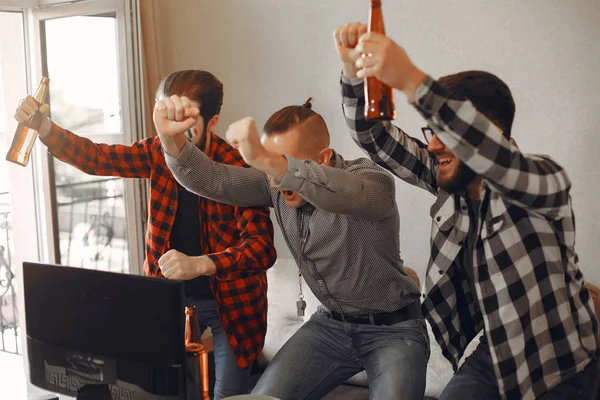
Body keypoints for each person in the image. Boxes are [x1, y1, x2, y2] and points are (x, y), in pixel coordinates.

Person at [334, 21, 599, 400]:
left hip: (562, 367)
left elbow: (498, 162)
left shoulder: (542, 183)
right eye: (433, 130)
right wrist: (351, 73)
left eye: (447, 129)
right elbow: (374, 137)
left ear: (491, 131)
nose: (436, 144)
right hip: (494, 357)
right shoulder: (449, 180)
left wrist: (408, 76)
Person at [13, 70, 277, 400]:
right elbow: (97, 158)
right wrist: (46, 128)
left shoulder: (239, 166)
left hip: (232, 308)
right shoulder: (157, 151)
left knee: (228, 395)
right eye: (166, 113)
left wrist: (202, 264)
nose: (175, 125)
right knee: (161, 392)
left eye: (186, 117)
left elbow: (262, 250)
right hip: (167, 302)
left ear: (212, 122)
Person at [154, 93, 430, 399]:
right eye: (268, 168)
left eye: (281, 166)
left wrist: (272, 164)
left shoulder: (371, 179)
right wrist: (171, 140)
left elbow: (345, 192)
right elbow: (213, 180)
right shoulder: (272, 185)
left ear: (323, 158)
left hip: (394, 329)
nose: (275, 181)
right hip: (330, 327)